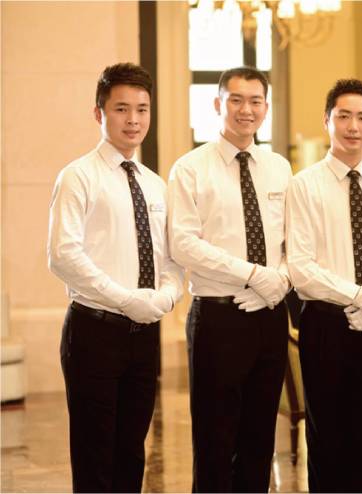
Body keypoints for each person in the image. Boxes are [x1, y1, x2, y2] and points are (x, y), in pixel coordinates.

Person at [47, 62, 183, 492]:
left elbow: (172, 258)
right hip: (95, 330)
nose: (133, 120)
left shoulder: (155, 184)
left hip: (144, 334)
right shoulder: (78, 176)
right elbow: (63, 254)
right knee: (95, 455)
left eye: (142, 109)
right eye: (121, 109)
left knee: (131, 451)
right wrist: (126, 299)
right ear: (99, 113)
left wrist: (166, 296)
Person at [167, 66, 292, 492]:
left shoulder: (279, 167)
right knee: (215, 440)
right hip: (217, 319)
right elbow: (184, 244)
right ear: (218, 104)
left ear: (266, 108)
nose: (246, 110)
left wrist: (279, 280)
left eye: (255, 101)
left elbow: (294, 242)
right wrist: (253, 274)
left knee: (260, 438)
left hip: (269, 316)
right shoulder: (190, 168)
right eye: (236, 100)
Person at [285, 78, 362, 493]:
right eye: (343, 116)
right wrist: (361, 298)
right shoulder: (304, 185)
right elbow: (301, 267)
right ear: (327, 121)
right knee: (327, 438)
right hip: (327, 325)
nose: (353, 126)